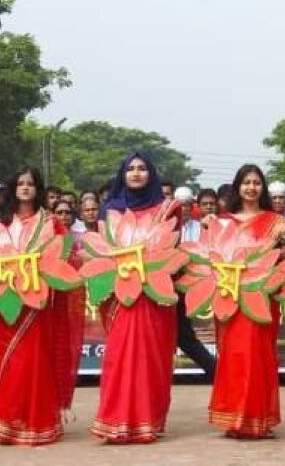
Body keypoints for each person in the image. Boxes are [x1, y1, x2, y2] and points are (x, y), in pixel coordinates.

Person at [0, 166, 82, 445]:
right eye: (20, 183)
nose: (25, 188)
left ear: (38, 189)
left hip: (40, 303)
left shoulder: (51, 222)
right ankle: (10, 421)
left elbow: (68, 256)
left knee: (37, 358)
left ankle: (38, 422)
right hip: (8, 299)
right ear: (12, 188)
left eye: (30, 184)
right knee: (8, 359)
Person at [91, 152, 182, 443]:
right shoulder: (110, 210)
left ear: (151, 174)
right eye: (130, 169)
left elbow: (172, 250)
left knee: (151, 357)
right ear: (122, 175)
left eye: (143, 168)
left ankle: (146, 421)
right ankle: (115, 420)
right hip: (120, 294)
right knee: (119, 357)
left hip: (153, 294)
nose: (136, 173)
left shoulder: (166, 210)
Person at [208, 164, 285, 438]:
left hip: (262, 295)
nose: (252, 187)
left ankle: (259, 418)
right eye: (246, 182)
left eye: (257, 183)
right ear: (238, 187)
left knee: (260, 355)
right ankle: (234, 418)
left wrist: (284, 242)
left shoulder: (275, 221)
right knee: (233, 355)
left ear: (262, 188)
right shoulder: (223, 222)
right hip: (231, 296)